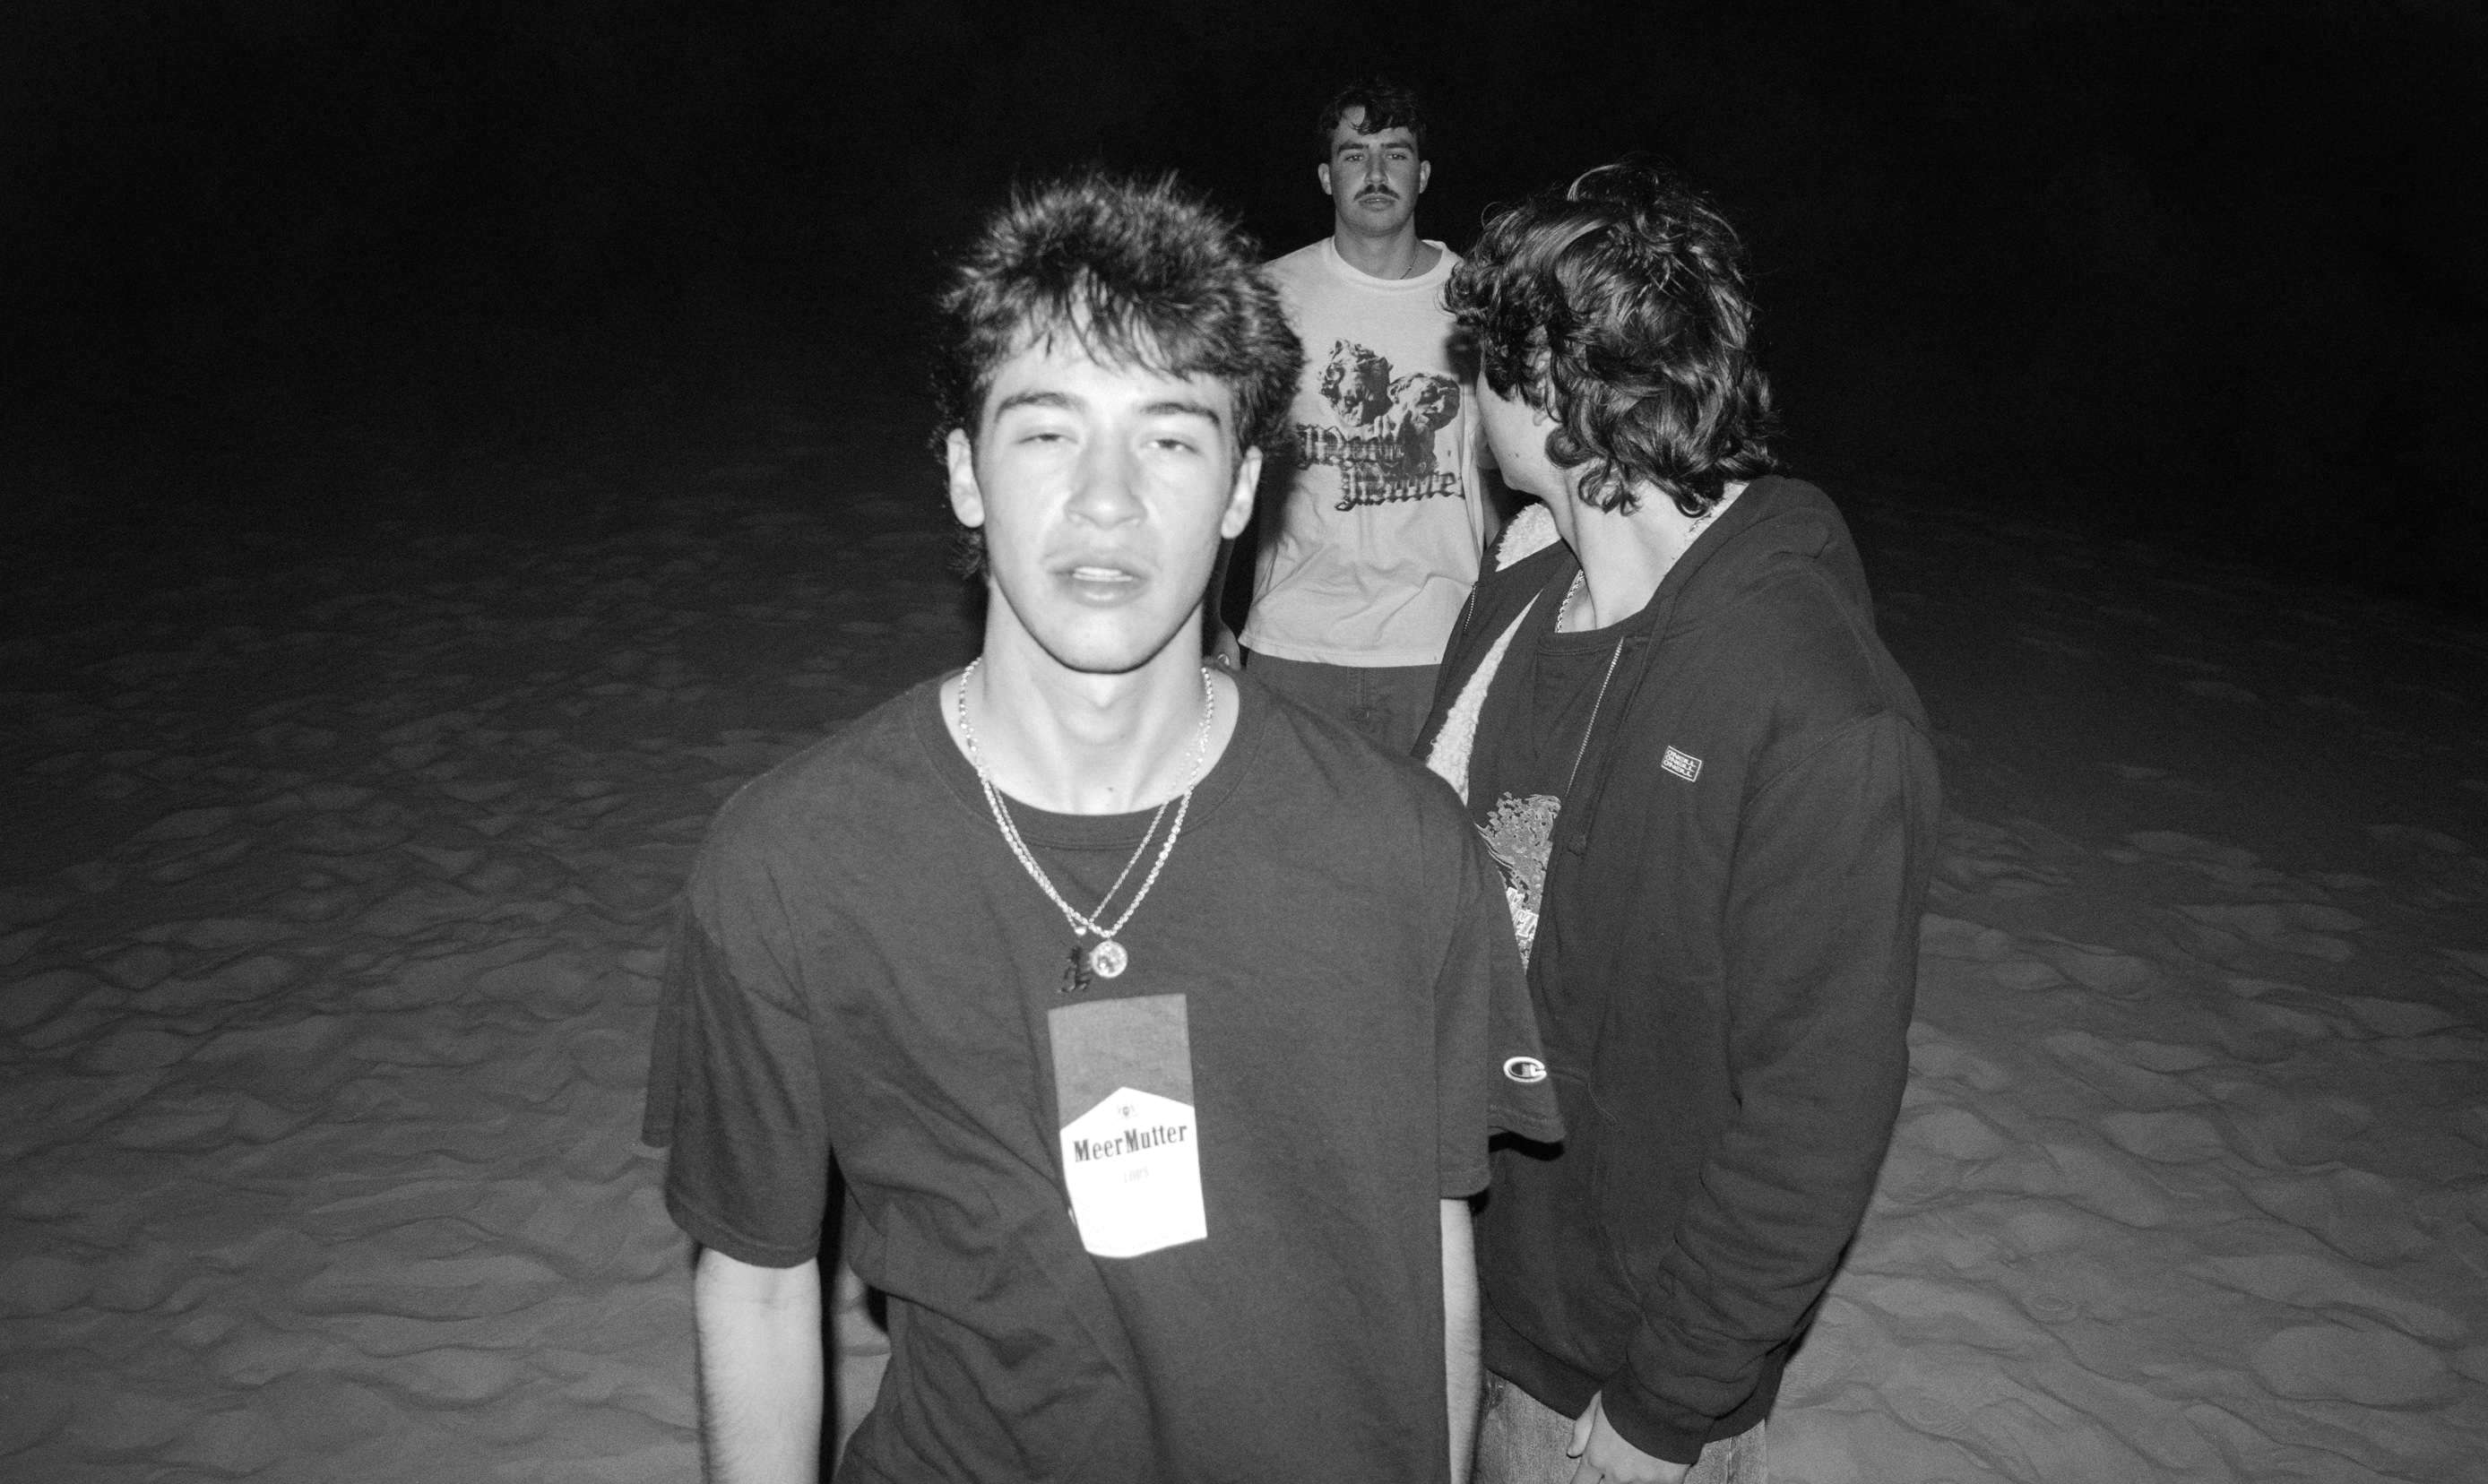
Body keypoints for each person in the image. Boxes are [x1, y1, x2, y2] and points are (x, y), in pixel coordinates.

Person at [643, 173, 1559, 1483]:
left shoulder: (1401, 848)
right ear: (964, 472)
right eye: (1047, 432)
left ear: (1244, 487)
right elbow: (755, 1280)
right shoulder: (793, 865)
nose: (1108, 500)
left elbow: (1435, 1238)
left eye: (1171, 438)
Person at [1416, 161, 1940, 1483]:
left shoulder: (1820, 709)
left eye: (1482, 363)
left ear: (1549, 387)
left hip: (1612, 1379)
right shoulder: (1521, 592)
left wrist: (1666, 1407)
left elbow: (1815, 1116)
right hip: (1459, 1277)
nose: (1465, 394)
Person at [1238, 78, 1490, 755]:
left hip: (1441, 645)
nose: (1376, 172)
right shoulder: (1268, 297)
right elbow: (1224, 470)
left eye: (1395, 154)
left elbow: (1501, 476)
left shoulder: (1478, 299)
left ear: (1423, 174)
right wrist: (1206, 622)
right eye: (1355, 154)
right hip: (1294, 643)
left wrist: (1509, 624)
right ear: (1327, 176)